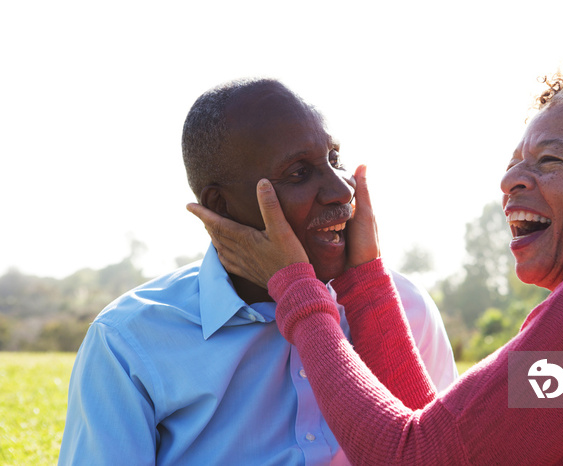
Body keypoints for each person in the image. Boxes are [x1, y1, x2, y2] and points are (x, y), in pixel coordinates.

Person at [190, 62, 563, 464]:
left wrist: (296, 289)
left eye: (549, 160)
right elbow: (456, 447)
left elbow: (414, 457)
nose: (511, 182)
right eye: (512, 165)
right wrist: (361, 281)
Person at [58, 79, 458, 465]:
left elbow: (441, 457)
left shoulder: (405, 311)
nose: (341, 190)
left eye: (334, 160)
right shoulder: (128, 342)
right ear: (222, 206)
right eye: (299, 172)